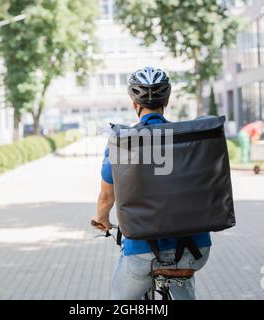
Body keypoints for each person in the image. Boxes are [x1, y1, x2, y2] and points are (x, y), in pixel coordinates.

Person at [91, 67, 211, 300]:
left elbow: (107, 197)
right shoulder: (188, 139)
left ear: (134, 104)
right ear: (166, 101)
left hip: (143, 251)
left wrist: (102, 219)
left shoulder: (123, 142)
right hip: (194, 249)